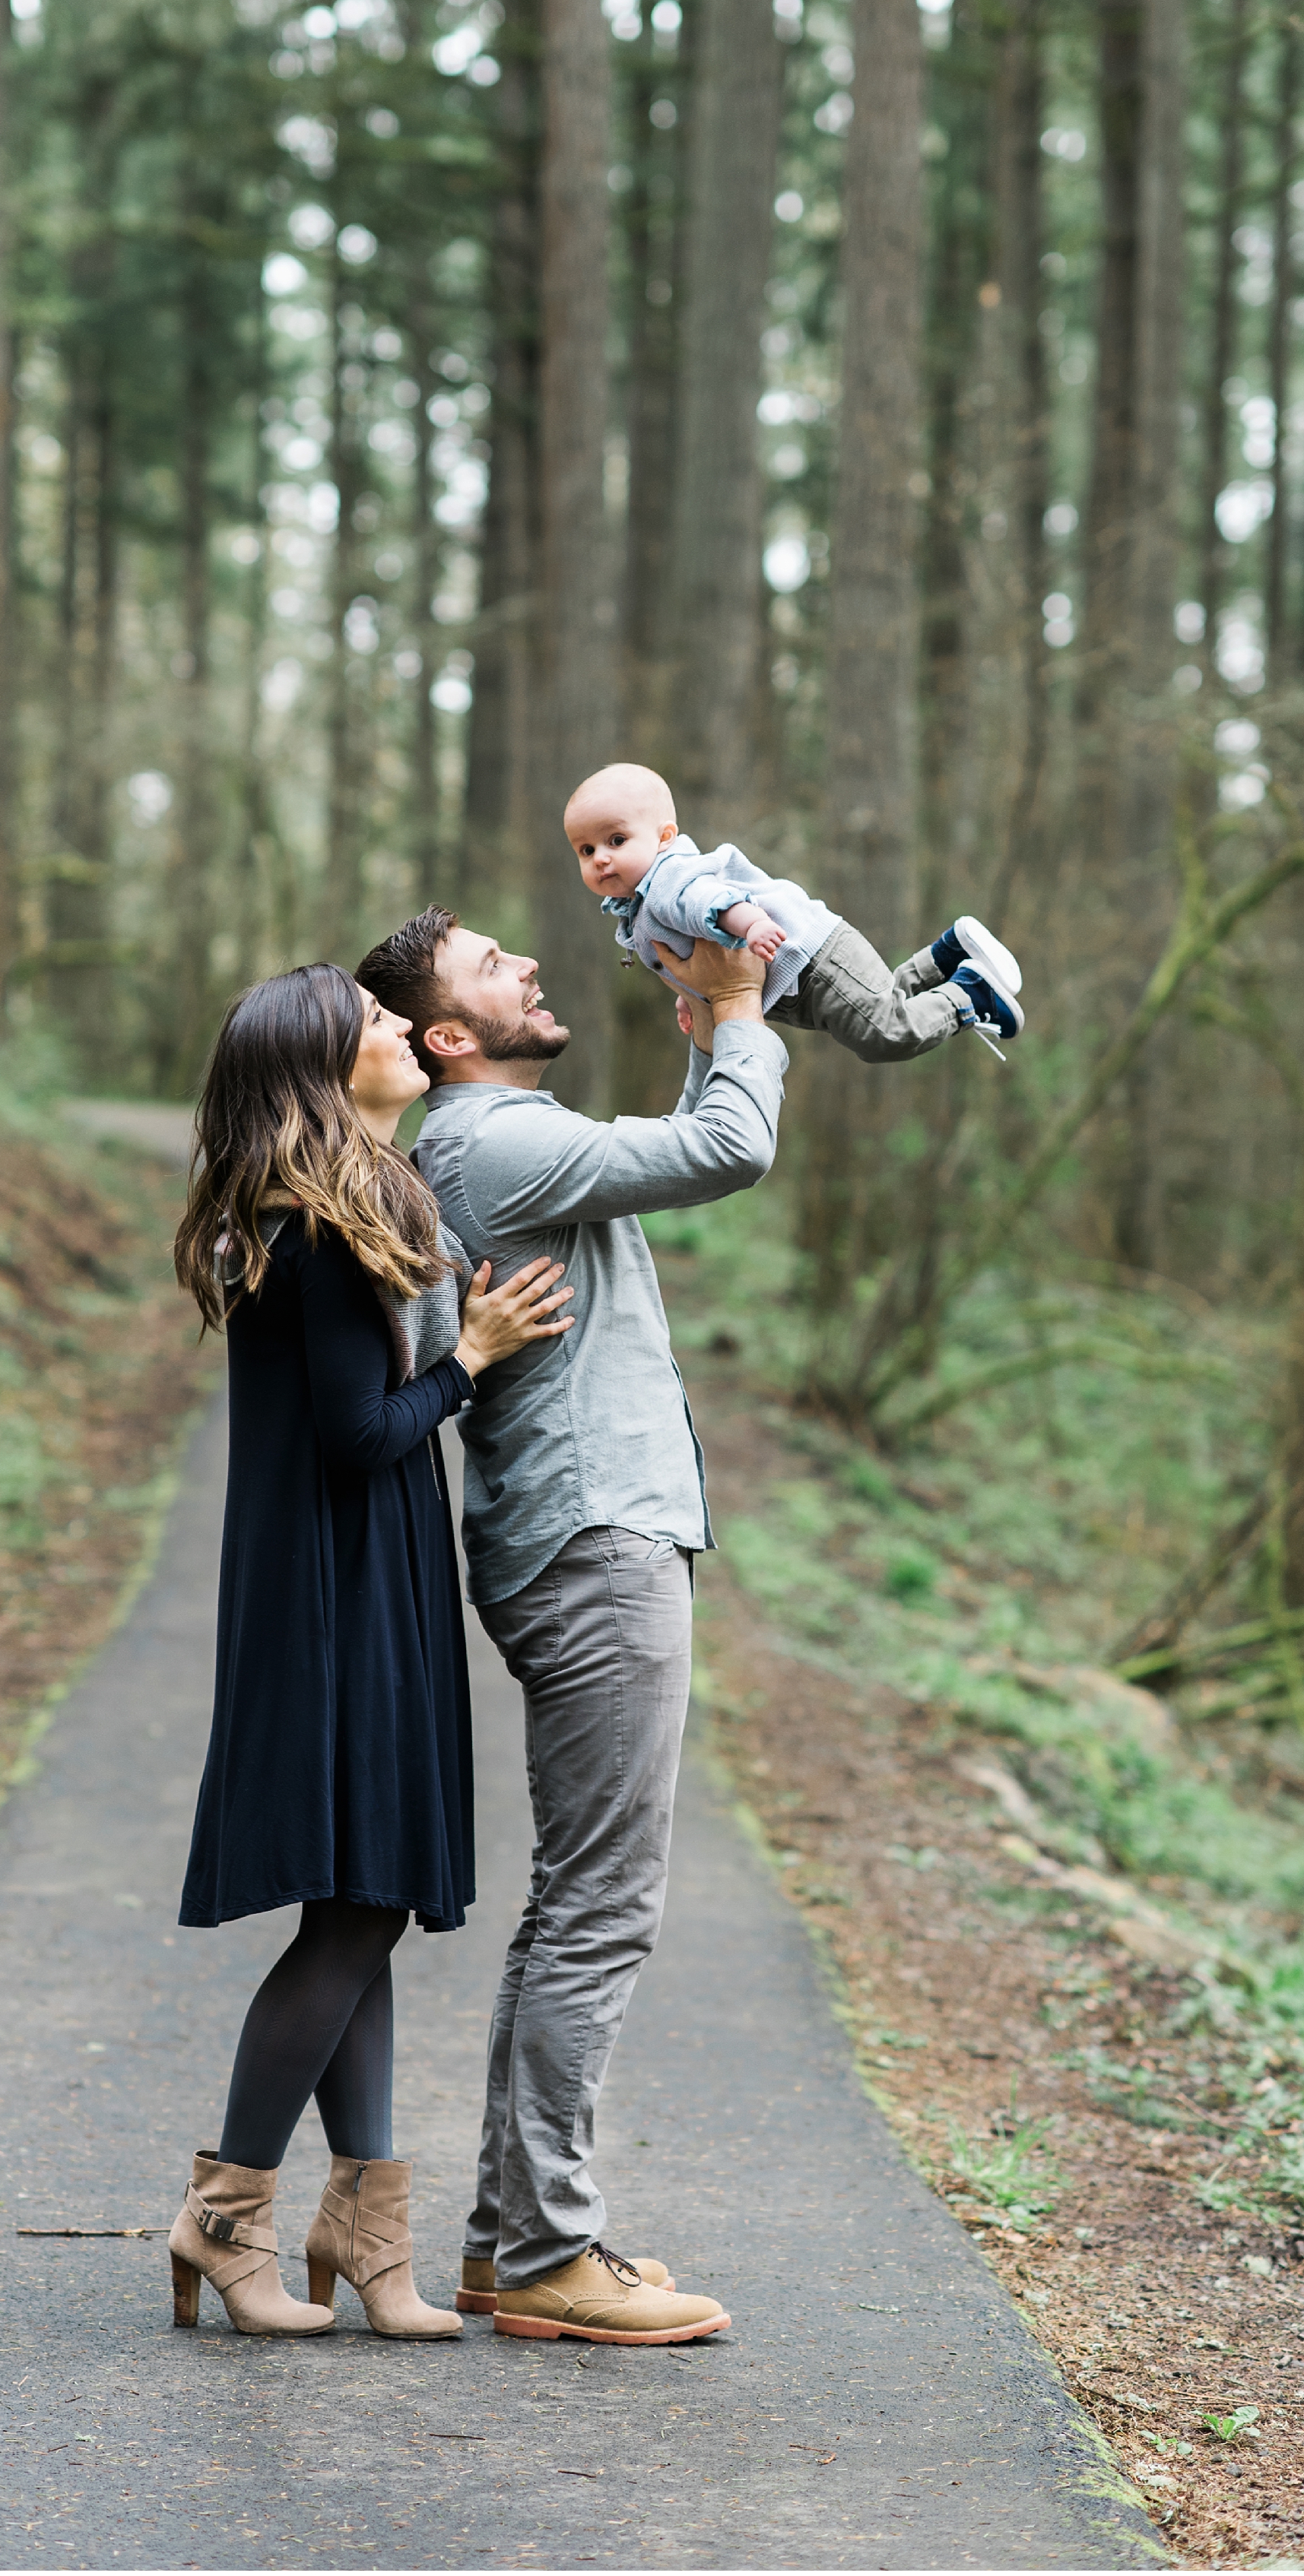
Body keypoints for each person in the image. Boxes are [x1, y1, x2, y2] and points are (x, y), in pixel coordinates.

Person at [353, 905, 782, 2346]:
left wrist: (710, 1039)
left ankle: (508, 2241)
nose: (531, 962)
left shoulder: (492, 1143)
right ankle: (547, 2253)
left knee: (575, 1902)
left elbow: (660, 1153)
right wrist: (738, 1013)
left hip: (586, 1533)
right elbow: (730, 1149)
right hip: (596, 1541)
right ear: (451, 1036)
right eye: (491, 967)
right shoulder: (489, 1141)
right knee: (603, 1904)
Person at [167, 962, 574, 2341]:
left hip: (346, 1580)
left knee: (368, 1894)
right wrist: (479, 1354)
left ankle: (369, 2234)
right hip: (341, 1589)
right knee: (354, 1905)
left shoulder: (331, 1210)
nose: (408, 1032)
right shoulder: (322, 1224)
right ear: (329, 1071)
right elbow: (363, 1435)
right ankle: (225, 2216)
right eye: (382, 1026)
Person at [564, 759, 1025, 1059]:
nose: (601, 858)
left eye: (616, 840)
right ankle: (946, 956)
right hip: (797, 976)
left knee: (886, 1035)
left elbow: (710, 903)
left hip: (809, 960)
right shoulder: (639, 902)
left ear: (664, 837)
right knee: (883, 1008)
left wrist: (752, 925)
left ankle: (971, 994)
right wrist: (690, 997)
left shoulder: (667, 879)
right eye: (586, 850)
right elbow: (687, 947)